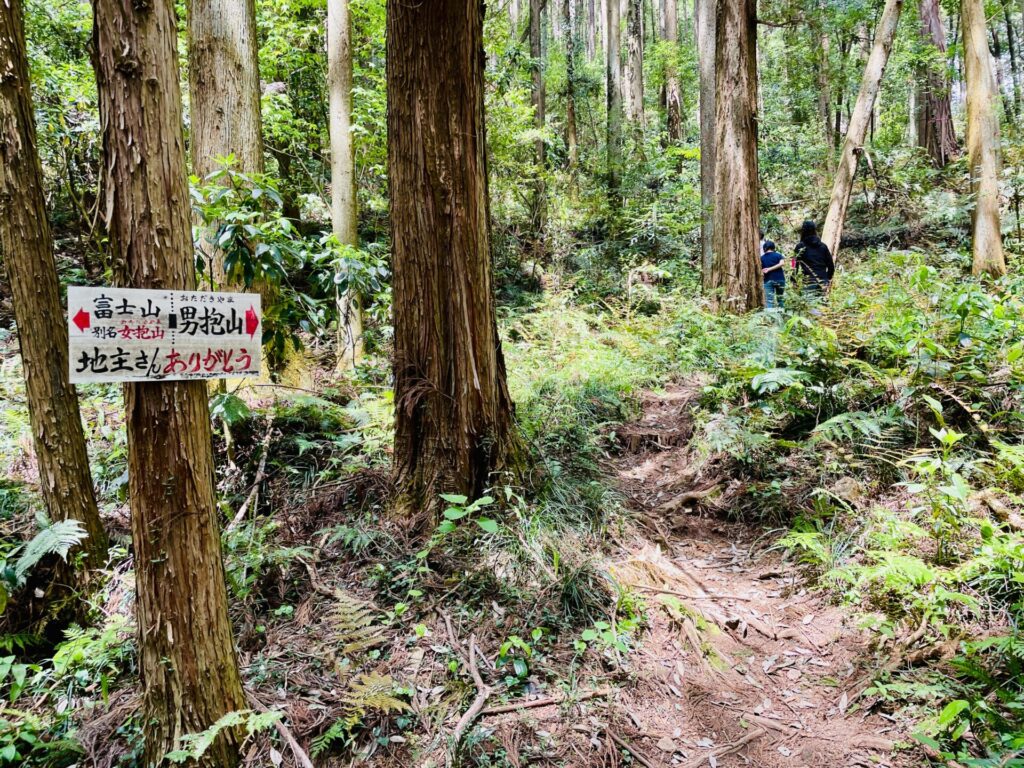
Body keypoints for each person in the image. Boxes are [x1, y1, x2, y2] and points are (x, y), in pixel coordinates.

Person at [794, 220, 835, 298]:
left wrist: (793, 279)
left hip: (808, 280)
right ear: (814, 230)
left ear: (803, 231)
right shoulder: (823, 246)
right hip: (823, 280)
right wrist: (827, 278)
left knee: (810, 306)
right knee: (820, 305)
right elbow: (831, 265)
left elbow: (793, 264)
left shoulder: (800, 246)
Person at [760, 240, 785, 309]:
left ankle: (770, 318)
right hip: (780, 279)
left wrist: (768, 269)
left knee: (769, 301)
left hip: (768, 280)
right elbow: (782, 263)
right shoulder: (778, 255)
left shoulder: (762, 258)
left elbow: (761, 269)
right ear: (773, 247)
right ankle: (782, 315)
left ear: (764, 248)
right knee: (780, 299)